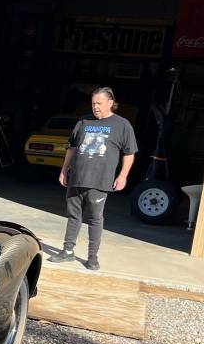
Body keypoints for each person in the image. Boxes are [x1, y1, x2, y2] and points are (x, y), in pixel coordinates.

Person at [47, 86, 137, 271]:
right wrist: (64, 170)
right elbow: (72, 147)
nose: (95, 107)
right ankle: (67, 251)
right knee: (73, 216)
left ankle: (92, 257)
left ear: (110, 103)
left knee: (95, 218)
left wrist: (123, 176)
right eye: (93, 103)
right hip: (77, 178)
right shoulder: (83, 121)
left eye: (99, 103)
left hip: (100, 181)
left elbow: (129, 153)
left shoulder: (122, 125)